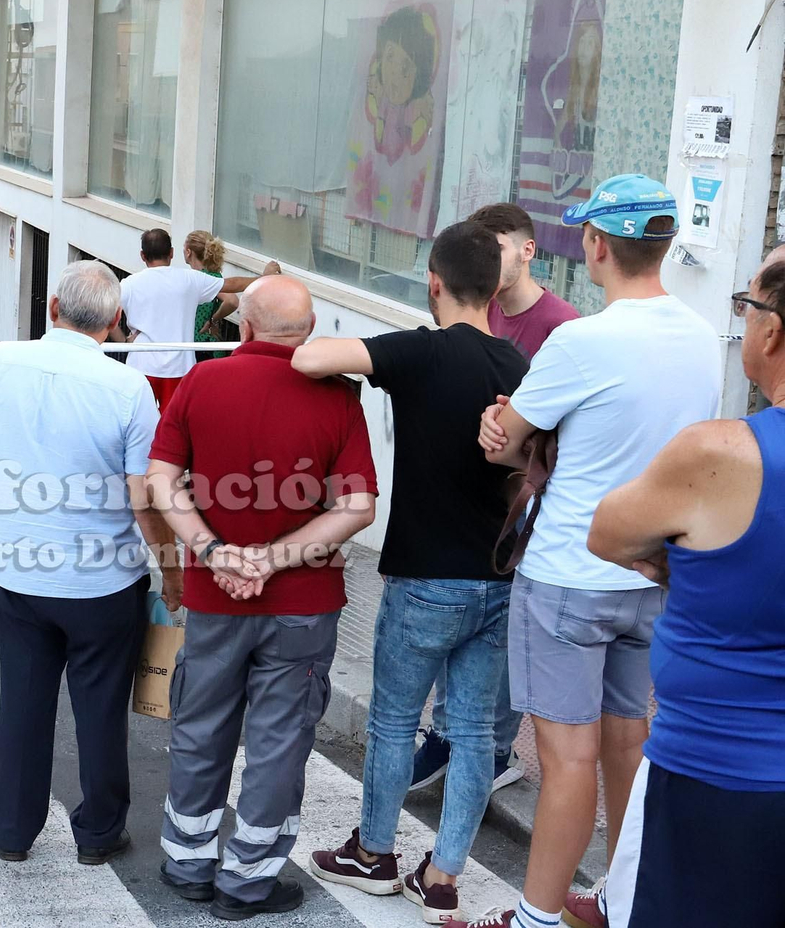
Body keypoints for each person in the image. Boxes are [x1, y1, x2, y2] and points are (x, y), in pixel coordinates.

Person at [452, 175, 722, 928]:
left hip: (569, 574)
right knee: (629, 743)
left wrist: (497, 425)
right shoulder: (702, 337)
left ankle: (537, 917)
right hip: (650, 571)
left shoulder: (581, 339)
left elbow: (507, 444)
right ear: (662, 247)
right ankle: (622, 898)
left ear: (597, 245)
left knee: (568, 759)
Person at [297, 221, 528, 924]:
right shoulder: (519, 367)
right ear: (495, 288)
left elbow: (309, 357)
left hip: (424, 576)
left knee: (396, 722)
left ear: (433, 282)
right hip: (497, 578)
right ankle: (445, 875)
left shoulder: (420, 352)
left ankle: (373, 853)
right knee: (475, 733)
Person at [146, 275, 378, 921]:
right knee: (279, 739)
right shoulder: (337, 398)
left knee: (200, 723)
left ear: (241, 327)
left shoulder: (201, 381)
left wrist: (216, 553)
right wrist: (273, 559)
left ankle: (188, 860)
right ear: (309, 333)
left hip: (214, 595)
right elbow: (358, 505)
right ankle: (247, 879)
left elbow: (160, 479)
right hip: (304, 600)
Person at [0, 260, 176, 865]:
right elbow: (141, 495)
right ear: (116, 323)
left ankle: (13, 831)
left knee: (22, 704)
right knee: (101, 712)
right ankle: (99, 835)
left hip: (21, 575)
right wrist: (172, 568)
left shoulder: (2, 365)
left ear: (52, 309)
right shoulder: (129, 388)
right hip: (104, 583)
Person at [585, 246, 785, 928]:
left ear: (772, 331)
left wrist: (688, 559)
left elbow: (607, 532)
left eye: (748, 303)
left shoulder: (720, 454)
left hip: (712, 779)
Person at [412, 202, 579, 797]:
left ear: (528, 251)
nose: (487, 256)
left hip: (528, 505)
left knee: (505, 630)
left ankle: (493, 745)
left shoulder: (561, 326)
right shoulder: (478, 314)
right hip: (473, 497)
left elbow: (554, 429)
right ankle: (452, 732)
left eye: (498, 245)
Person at [120, 229, 256, 414]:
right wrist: (264, 277)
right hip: (180, 367)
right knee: (173, 426)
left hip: (141, 365)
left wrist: (123, 343)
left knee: (139, 423)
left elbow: (105, 313)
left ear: (142, 256)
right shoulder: (189, 279)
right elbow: (232, 285)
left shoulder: (128, 285)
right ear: (172, 253)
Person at [183, 230, 232, 362]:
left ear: (188, 252)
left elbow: (232, 301)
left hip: (201, 346)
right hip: (205, 344)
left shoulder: (204, 279)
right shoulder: (213, 276)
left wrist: (213, 320)